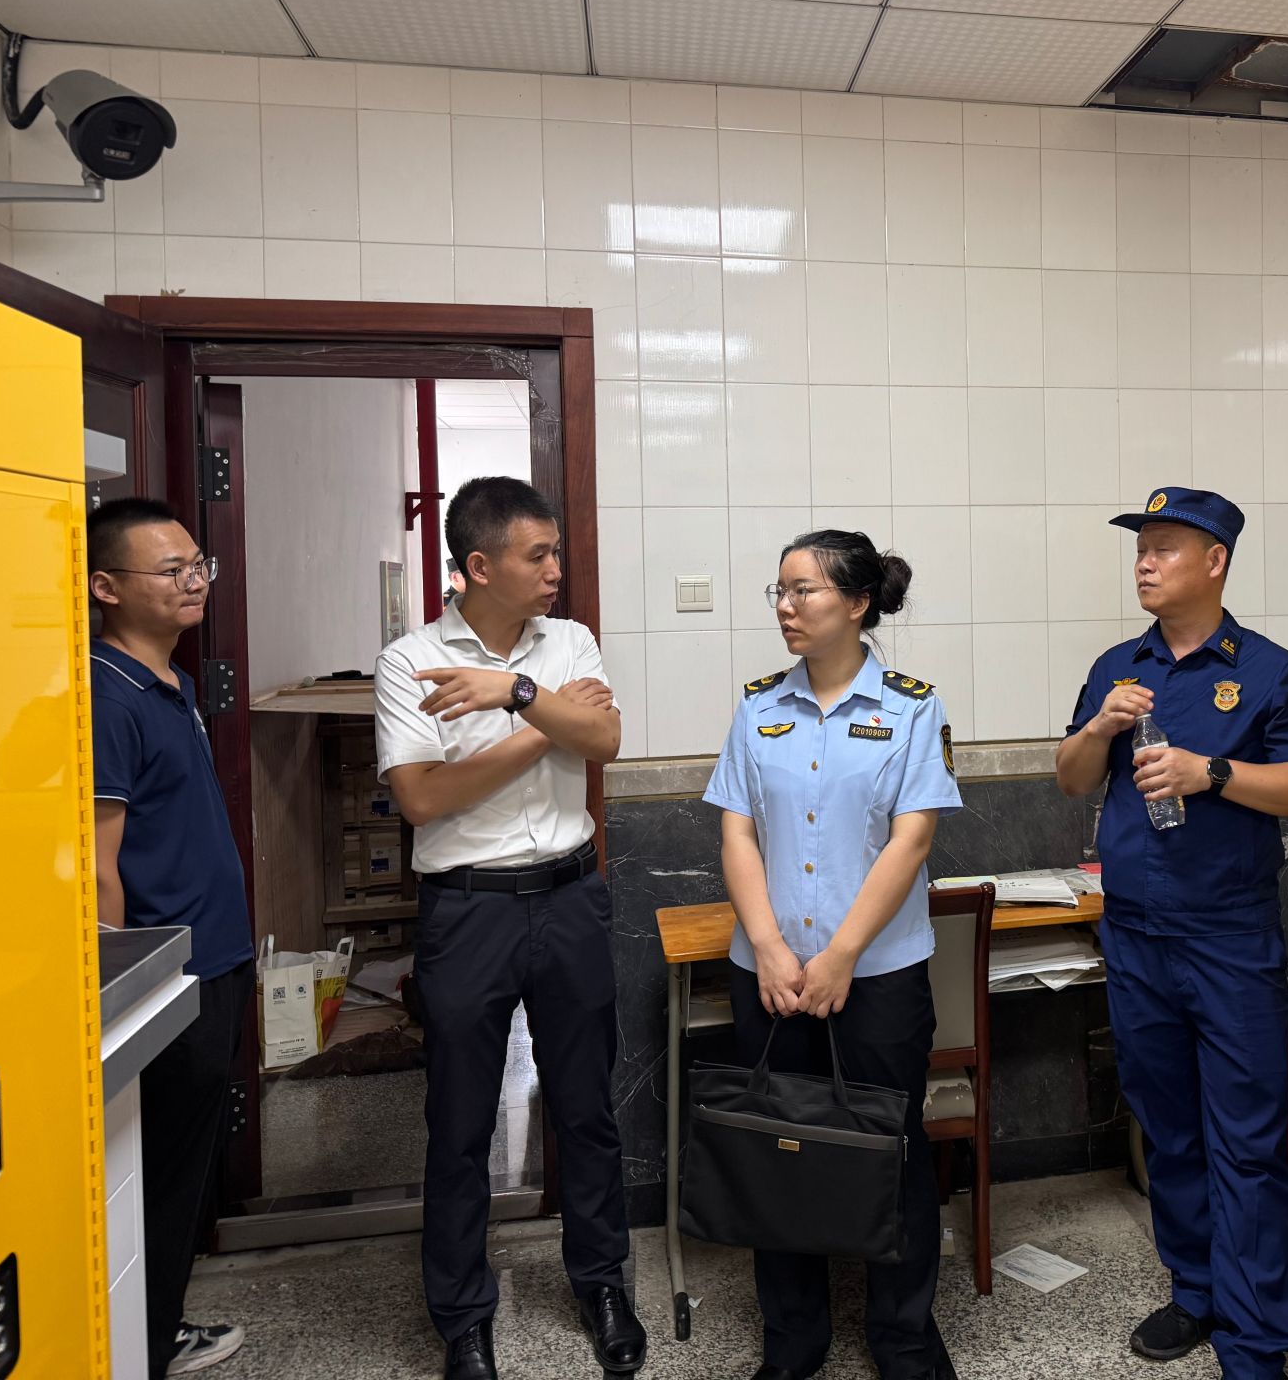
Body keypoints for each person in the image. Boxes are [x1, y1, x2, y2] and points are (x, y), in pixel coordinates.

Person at [1053, 487, 1288, 1380]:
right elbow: (1070, 778)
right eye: (1141, 547)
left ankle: (1255, 1340)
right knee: (1169, 1131)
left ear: (1215, 562)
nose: (1145, 561)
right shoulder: (1118, 666)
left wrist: (1211, 771)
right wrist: (1100, 724)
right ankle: (1197, 1292)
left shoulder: (1270, 670)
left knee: (1246, 1142)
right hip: (1135, 936)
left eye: (1166, 546)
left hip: (1227, 940)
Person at [374, 477, 644, 1380]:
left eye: (555, 551)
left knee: (586, 1109)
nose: (556, 569)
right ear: (480, 566)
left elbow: (605, 742)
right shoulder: (410, 662)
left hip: (571, 898)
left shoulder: (568, 642)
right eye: (540, 555)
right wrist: (542, 719)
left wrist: (513, 691)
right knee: (459, 1122)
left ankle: (603, 1286)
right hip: (468, 910)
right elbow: (423, 798)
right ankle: (462, 1318)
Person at [702, 529, 963, 1380]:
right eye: (779, 591)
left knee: (893, 1152)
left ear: (856, 604)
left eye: (803, 590)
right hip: (771, 975)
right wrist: (769, 947)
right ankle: (793, 1341)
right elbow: (737, 834)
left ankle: (904, 1339)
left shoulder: (913, 708)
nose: (785, 606)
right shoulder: (758, 708)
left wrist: (842, 953)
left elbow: (911, 840)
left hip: (877, 976)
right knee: (779, 1153)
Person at [88, 498, 253, 1378]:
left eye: (199, 566)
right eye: (172, 570)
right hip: (160, 976)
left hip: (212, 958)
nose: (194, 581)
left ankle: (155, 1331)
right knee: (156, 1173)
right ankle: (140, 1348)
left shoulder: (171, 682)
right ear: (105, 587)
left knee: (187, 1161)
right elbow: (98, 866)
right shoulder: (105, 695)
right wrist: (115, 993)